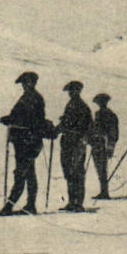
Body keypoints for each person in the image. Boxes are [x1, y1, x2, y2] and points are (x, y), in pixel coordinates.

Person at [0, 71, 52, 216]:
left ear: (32, 83)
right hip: (26, 141)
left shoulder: (32, 98)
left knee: (21, 173)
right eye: (23, 83)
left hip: (28, 141)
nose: (24, 85)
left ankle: (10, 206)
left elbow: (29, 120)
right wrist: (10, 119)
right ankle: (30, 205)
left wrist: (10, 120)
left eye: (26, 82)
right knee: (28, 172)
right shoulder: (30, 97)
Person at [55, 80, 92, 212]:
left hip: (76, 143)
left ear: (78, 91)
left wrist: (58, 129)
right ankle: (72, 202)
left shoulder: (82, 107)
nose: (72, 93)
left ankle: (78, 203)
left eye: (74, 91)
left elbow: (87, 126)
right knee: (69, 172)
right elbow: (65, 122)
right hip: (68, 143)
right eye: (70, 91)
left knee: (77, 172)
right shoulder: (71, 105)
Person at [90, 92, 118, 201]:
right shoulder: (98, 114)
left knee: (102, 168)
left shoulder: (110, 115)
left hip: (103, 144)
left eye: (101, 103)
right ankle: (103, 190)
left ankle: (104, 192)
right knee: (100, 168)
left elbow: (113, 133)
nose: (100, 105)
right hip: (96, 144)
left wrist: (110, 147)